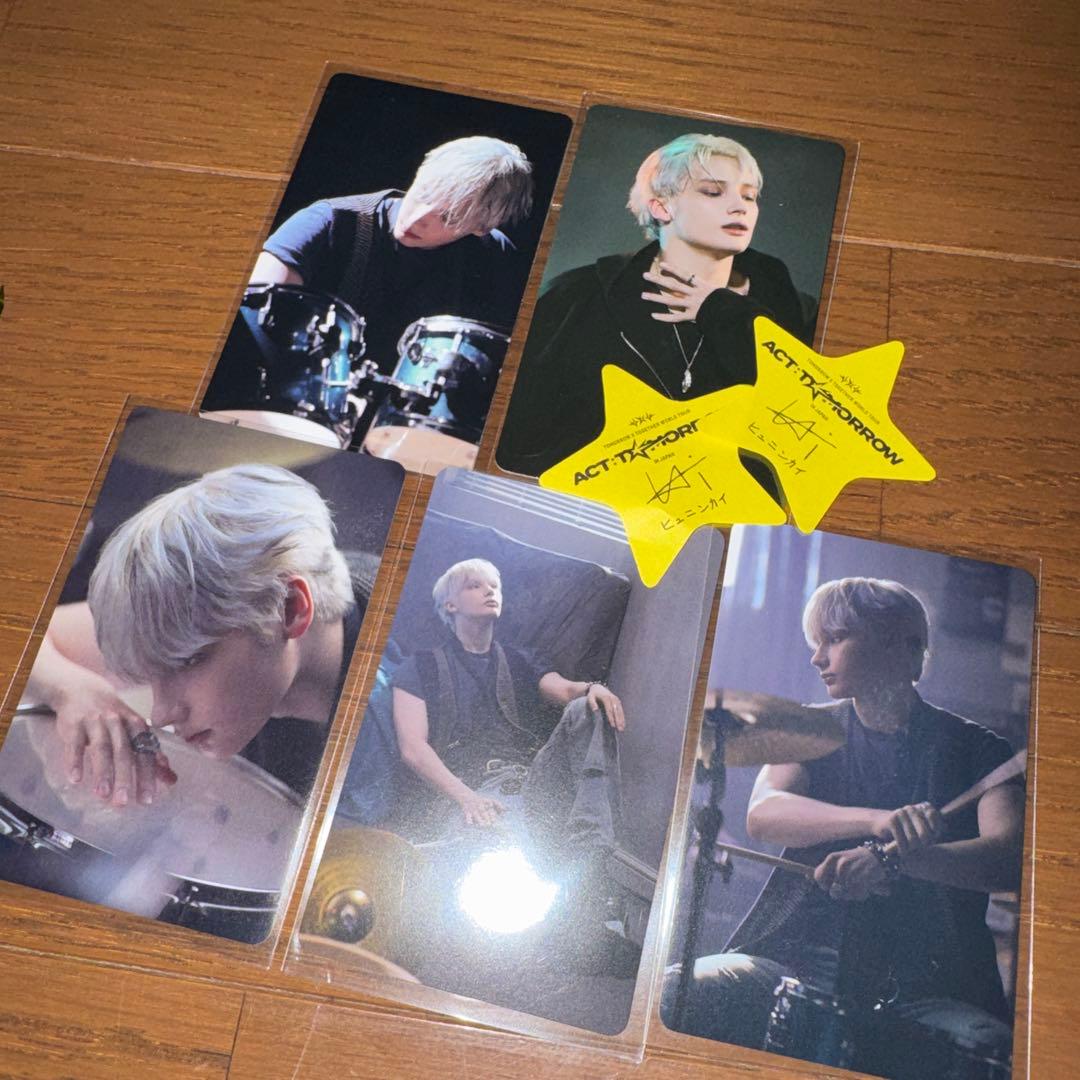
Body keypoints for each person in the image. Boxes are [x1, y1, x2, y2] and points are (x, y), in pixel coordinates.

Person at [663, 577, 1024, 1076]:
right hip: (794, 964)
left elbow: (1007, 859)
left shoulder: (980, 749)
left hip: (927, 989)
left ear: (899, 645)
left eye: (834, 639)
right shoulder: (807, 729)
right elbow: (764, 812)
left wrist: (894, 863)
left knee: (995, 1052)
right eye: (817, 643)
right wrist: (877, 822)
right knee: (675, 991)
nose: (818, 658)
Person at [21, 464, 374, 805]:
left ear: (290, 607)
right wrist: (72, 690)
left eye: (189, 660)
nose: (161, 714)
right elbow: (22, 636)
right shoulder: (222, 596)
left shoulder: (398, 679)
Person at [499, 132, 813, 476]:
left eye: (749, 196)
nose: (741, 207)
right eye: (713, 191)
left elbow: (806, 434)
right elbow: (519, 437)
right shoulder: (576, 297)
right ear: (661, 206)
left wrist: (724, 313)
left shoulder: (795, 310)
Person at [390, 558, 626, 876]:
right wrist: (467, 798)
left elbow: (565, 690)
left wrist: (592, 688)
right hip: (476, 787)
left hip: (536, 778)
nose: (490, 591)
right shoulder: (419, 667)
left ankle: (590, 851)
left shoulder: (519, 659)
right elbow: (413, 748)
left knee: (587, 707)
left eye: (494, 586)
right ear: (450, 605)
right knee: (494, 854)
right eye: (475, 586)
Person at [246, 135, 535, 373]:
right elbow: (253, 313)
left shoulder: (496, 256)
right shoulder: (327, 221)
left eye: (448, 217)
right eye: (424, 194)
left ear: (481, 227)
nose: (418, 218)